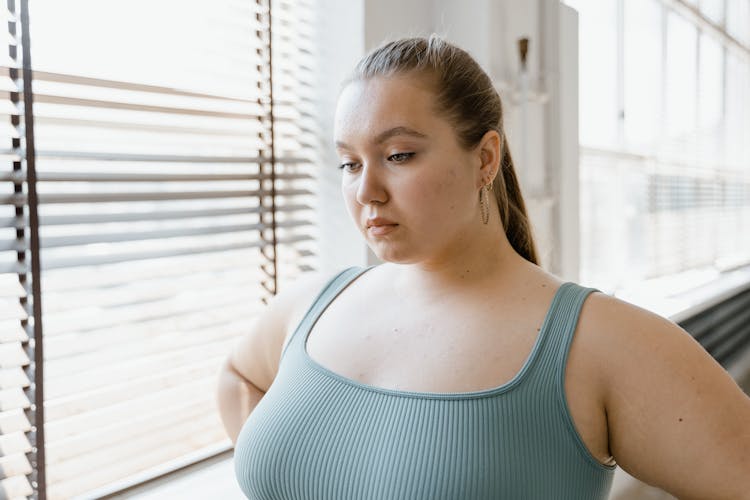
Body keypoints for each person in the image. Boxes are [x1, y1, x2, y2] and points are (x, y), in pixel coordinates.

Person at [217, 35, 750, 499]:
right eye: (349, 163)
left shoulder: (596, 342)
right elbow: (238, 376)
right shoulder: (311, 304)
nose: (366, 191)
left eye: (399, 155)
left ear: (485, 158)